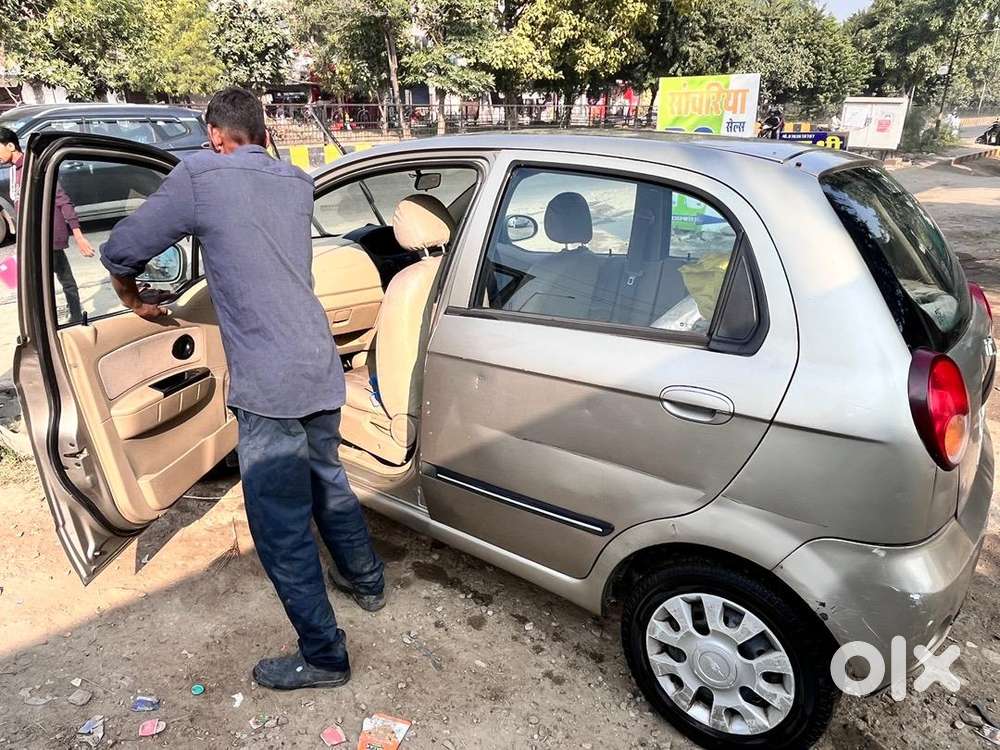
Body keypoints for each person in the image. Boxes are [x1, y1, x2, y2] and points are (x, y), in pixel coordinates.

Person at [99, 87, 385, 690]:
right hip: (317, 362)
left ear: (216, 137)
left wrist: (131, 298)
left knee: (279, 525)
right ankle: (367, 581)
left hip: (269, 381)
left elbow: (122, 249)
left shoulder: (203, 172)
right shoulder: (295, 182)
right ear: (261, 131)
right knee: (327, 480)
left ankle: (325, 657)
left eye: (211, 141)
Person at [0, 126, 94, 322]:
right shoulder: (13, 170)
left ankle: (71, 318)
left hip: (46, 235)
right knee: (31, 280)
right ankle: (52, 318)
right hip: (31, 236)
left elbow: (61, 199)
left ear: (10, 145)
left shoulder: (33, 167)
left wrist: (78, 235)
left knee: (58, 280)